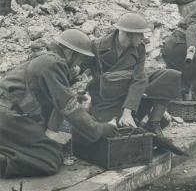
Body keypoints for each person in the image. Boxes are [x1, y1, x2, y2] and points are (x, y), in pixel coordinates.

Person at [0, 29, 117, 178]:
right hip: (10, 118)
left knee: (36, 148)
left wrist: (72, 97)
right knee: (50, 160)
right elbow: (69, 108)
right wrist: (99, 129)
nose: (78, 65)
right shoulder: (53, 63)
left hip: (10, 116)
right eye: (79, 59)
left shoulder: (46, 60)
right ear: (70, 53)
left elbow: (55, 99)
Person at [88, 12, 181, 137]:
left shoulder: (139, 48)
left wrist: (128, 111)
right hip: (107, 99)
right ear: (128, 34)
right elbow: (82, 74)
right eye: (140, 34)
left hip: (129, 94)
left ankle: (153, 123)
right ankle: (136, 118)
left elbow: (139, 79)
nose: (144, 38)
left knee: (171, 76)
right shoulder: (97, 46)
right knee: (115, 131)